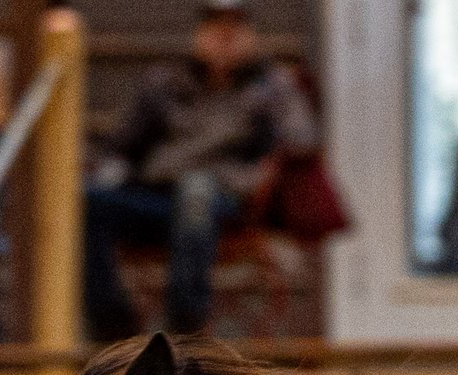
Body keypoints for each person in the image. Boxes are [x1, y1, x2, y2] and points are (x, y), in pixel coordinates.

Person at [82, 1, 317, 341]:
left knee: (196, 189)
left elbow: (303, 140)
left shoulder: (271, 85)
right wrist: (108, 173)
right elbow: (122, 145)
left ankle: (185, 325)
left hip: (224, 199)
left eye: (234, 26)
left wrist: (264, 103)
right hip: (157, 196)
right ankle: (113, 325)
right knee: (87, 200)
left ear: (251, 33)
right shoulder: (166, 81)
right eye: (214, 25)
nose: (224, 35)